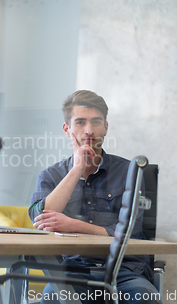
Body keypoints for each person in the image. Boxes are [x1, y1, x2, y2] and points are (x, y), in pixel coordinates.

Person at [28, 90, 160, 304]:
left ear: (106, 127)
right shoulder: (51, 175)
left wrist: (73, 225)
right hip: (73, 271)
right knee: (53, 297)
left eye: (96, 122)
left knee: (144, 298)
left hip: (125, 270)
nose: (89, 130)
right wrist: (77, 169)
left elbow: (129, 232)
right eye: (80, 122)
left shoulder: (130, 172)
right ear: (67, 129)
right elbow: (40, 219)